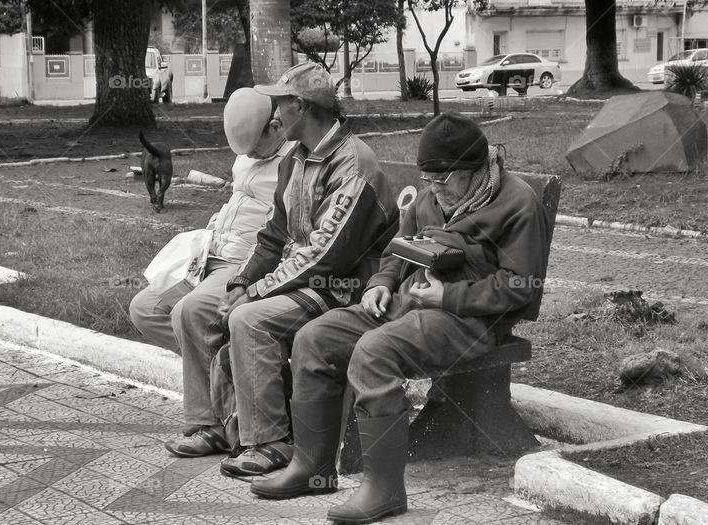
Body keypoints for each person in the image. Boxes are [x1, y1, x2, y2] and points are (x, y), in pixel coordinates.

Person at [250, 112, 552, 524]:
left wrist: (450, 295)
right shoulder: (434, 193)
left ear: (474, 169)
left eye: (443, 180)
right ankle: (312, 467)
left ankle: (385, 490)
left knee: (374, 353)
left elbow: (521, 284)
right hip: (404, 304)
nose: (433, 188)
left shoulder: (517, 202)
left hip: (469, 321)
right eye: (427, 179)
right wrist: (381, 283)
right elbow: (396, 250)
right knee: (314, 338)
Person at [215, 62, 399, 477]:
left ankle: (272, 443)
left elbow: (325, 257)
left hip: (343, 288)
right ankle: (233, 429)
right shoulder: (295, 158)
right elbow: (274, 233)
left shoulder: (352, 164)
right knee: (226, 311)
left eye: (279, 104)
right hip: (306, 280)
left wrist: (255, 293)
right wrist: (241, 282)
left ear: (300, 106)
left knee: (250, 320)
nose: (274, 116)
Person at [128, 87, 290, 454]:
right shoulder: (246, 156)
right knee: (145, 308)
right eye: (242, 151)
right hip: (212, 252)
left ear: (276, 127)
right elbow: (238, 199)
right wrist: (212, 229)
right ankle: (228, 372)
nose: (248, 156)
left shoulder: (294, 160)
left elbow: (280, 232)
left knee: (191, 310)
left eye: (255, 147)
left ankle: (209, 424)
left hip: (245, 263)